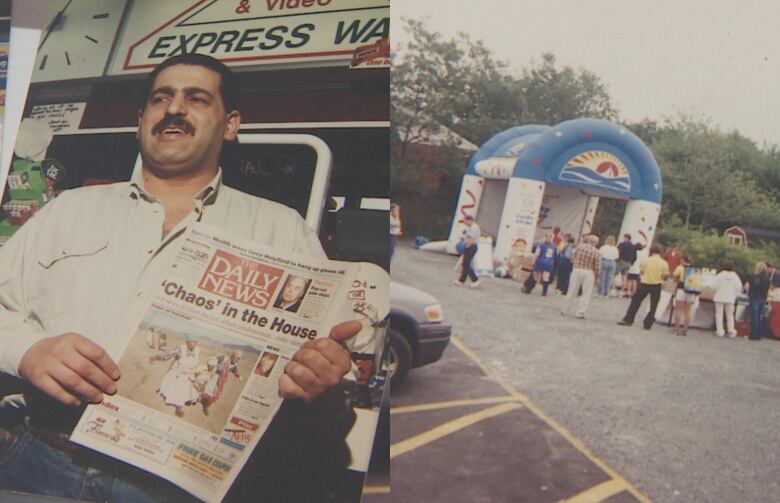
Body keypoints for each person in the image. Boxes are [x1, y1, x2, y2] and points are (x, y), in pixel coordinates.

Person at [0, 54, 360, 502]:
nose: (174, 109)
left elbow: (321, 372)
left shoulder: (281, 230)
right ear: (141, 119)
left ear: (230, 125)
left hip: (182, 486)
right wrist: (27, 350)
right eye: (161, 98)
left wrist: (319, 375)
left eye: (196, 98)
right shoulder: (69, 209)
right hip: (40, 463)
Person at [618, 244, 670, 330]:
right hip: (656, 284)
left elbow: (641, 272)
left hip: (645, 283)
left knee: (636, 302)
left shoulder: (646, 261)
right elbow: (665, 276)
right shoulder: (664, 263)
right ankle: (648, 323)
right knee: (654, 304)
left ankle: (628, 319)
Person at [150, 337, 202, 417]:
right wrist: (155, 357)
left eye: (194, 341)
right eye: (189, 341)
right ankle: (178, 409)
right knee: (177, 393)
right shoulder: (180, 349)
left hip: (189, 375)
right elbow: (167, 355)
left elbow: (196, 363)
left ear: (196, 342)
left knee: (190, 393)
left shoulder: (198, 350)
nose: (191, 343)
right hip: (177, 374)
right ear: (186, 342)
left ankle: (183, 402)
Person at [561, 234, 601, 318]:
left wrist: (576, 263)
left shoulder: (579, 247)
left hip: (577, 269)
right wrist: (597, 276)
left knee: (571, 290)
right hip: (589, 272)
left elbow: (572, 257)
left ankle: (565, 309)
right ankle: (580, 312)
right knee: (586, 293)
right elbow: (597, 266)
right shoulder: (596, 252)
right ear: (596, 243)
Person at [198, 350, 243, 416]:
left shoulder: (234, 364)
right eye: (238, 357)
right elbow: (213, 360)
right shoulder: (224, 358)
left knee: (215, 394)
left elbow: (235, 371)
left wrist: (239, 376)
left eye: (239, 358)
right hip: (214, 376)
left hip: (221, 381)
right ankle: (198, 400)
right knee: (206, 390)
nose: (238, 360)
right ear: (233, 355)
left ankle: (206, 406)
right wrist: (211, 368)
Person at [713, 261, 743, 338]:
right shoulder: (735, 276)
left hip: (719, 296)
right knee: (730, 315)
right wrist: (734, 294)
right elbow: (739, 287)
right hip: (730, 298)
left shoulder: (719, 275)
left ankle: (720, 331)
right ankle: (731, 330)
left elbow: (714, 285)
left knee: (719, 314)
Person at [671, 255, 697, 336]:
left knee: (678, 309)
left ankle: (677, 328)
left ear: (682, 260)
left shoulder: (680, 267)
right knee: (687, 311)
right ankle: (685, 329)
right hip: (691, 290)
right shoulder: (694, 268)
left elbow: (674, 276)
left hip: (681, 289)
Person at [745, 262, 771, 341]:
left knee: (754, 317)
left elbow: (753, 287)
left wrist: (749, 294)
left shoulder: (756, 277)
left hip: (755, 298)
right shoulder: (767, 279)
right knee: (759, 316)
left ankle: (753, 335)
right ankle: (759, 335)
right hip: (763, 298)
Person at [454, 214, 481, 288]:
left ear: (469, 220)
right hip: (470, 246)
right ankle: (461, 280)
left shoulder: (473, 228)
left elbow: (471, 239)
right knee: (465, 263)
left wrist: (466, 246)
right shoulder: (471, 227)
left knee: (466, 264)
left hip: (471, 246)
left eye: (465, 221)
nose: (465, 223)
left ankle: (475, 280)